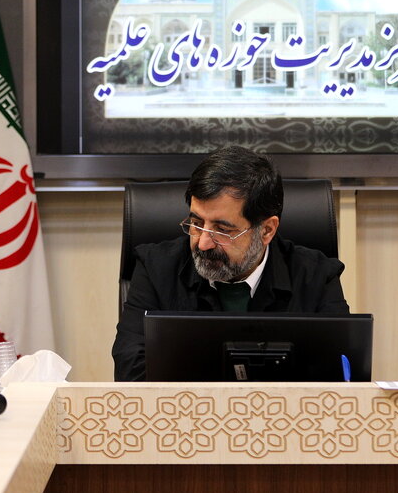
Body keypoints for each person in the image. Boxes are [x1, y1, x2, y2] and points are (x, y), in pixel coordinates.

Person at [112, 146, 349, 381]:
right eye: (196, 224)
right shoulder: (156, 268)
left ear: (267, 230)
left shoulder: (317, 277)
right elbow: (131, 373)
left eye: (222, 230)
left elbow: (341, 375)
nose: (203, 243)